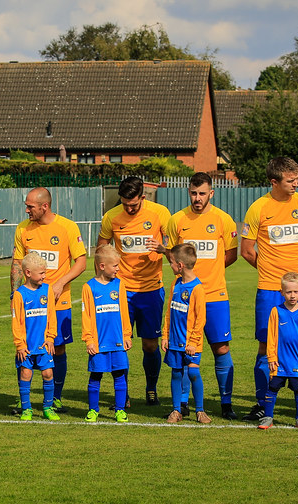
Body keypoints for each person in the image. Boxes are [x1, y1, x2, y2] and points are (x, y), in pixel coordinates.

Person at [241, 157, 298, 421]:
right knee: (266, 347)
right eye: (290, 180)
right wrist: (271, 273)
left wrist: (295, 279)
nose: (295, 184)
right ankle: (262, 403)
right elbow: (246, 250)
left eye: (297, 179)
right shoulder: (258, 208)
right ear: (274, 181)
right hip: (268, 289)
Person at [161, 172, 239, 419]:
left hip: (215, 295)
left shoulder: (224, 220)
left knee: (221, 348)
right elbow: (173, 256)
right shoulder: (177, 220)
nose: (197, 198)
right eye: (193, 193)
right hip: (182, 299)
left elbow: (231, 255)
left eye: (202, 193)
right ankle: (182, 403)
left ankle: (226, 403)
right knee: (183, 349)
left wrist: (208, 276)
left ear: (211, 193)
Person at [11, 187, 88, 412]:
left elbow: (81, 262)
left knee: (57, 349)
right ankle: (23, 399)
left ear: (45, 206)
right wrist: (15, 294)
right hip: (28, 304)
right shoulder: (23, 229)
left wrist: (59, 283)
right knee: (23, 348)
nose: (26, 210)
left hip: (58, 302)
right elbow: (17, 263)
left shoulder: (67, 227)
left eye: (30, 206)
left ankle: (55, 397)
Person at [97, 176, 172, 405]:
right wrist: (102, 280)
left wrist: (163, 248)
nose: (129, 208)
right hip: (121, 291)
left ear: (143, 197)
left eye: (134, 204)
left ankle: (151, 389)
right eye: (125, 204)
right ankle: (124, 393)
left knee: (150, 344)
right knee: (120, 342)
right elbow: (101, 249)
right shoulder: (111, 216)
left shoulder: (160, 213)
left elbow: (176, 250)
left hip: (150, 289)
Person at [80, 245, 132, 422]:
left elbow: (124, 312)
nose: (118, 269)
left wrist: (126, 335)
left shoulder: (119, 285)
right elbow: (86, 315)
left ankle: (120, 410)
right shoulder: (89, 287)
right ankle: (93, 410)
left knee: (119, 375)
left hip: (117, 340)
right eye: (115, 266)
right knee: (96, 376)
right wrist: (89, 340)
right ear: (102, 266)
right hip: (98, 342)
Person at [259, 272, 298, 431]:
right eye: (289, 292)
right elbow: (271, 337)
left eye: (295, 292)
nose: (292, 295)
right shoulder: (276, 312)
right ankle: (268, 417)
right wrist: (271, 357)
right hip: (279, 360)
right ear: (282, 292)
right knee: (273, 388)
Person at [160, 243, 209, 424]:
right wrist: (165, 335)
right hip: (174, 340)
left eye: (171, 262)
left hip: (191, 343)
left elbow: (200, 319)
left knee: (194, 373)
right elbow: (169, 312)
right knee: (176, 373)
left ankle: (200, 411)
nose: (170, 266)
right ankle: (176, 410)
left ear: (180, 265)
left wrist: (193, 342)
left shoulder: (197, 289)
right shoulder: (175, 283)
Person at [11, 252, 58, 421]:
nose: (44, 276)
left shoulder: (48, 290)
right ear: (28, 273)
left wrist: (51, 337)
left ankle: (48, 407)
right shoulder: (19, 294)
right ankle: (26, 408)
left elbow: (52, 315)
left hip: (44, 344)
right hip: (27, 346)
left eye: (45, 273)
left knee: (47, 374)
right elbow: (16, 322)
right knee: (25, 374)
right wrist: (20, 345)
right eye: (41, 273)